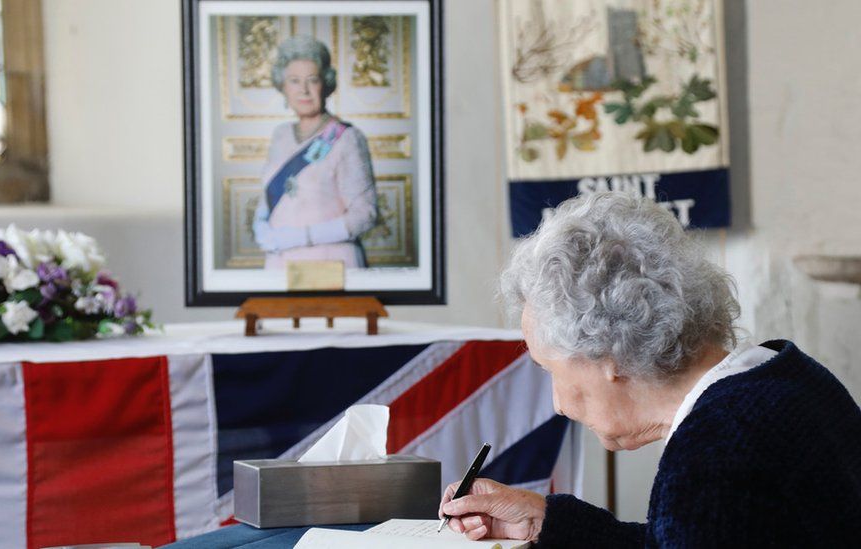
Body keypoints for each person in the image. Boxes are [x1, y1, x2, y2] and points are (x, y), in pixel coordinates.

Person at [439, 192, 861, 546]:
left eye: (549, 368)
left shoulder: (713, 457)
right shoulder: (785, 376)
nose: (559, 404)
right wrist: (545, 524)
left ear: (609, 354)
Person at [252, 35, 377, 269]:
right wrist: (260, 223)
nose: (304, 90)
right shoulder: (280, 135)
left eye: (312, 80)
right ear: (283, 87)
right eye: (294, 81)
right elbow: (272, 194)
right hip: (281, 262)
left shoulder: (347, 138)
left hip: (332, 264)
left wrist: (300, 238)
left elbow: (364, 215)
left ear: (326, 84)